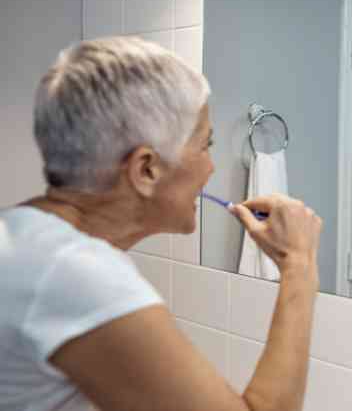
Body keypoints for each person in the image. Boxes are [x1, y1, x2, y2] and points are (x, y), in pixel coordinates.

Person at [0, 37, 322, 411]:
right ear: (146, 169)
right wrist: (299, 264)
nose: (212, 166)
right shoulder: (74, 274)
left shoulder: (22, 235)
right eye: (205, 145)